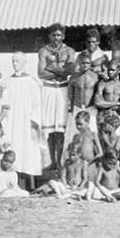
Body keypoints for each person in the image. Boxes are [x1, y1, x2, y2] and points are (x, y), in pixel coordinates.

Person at [37, 23, 76, 172]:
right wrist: (61, 71)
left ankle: (60, 161)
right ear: (49, 36)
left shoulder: (69, 51)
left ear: (64, 36)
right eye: (54, 35)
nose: (56, 38)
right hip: (48, 88)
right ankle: (52, 161)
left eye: (59, 35)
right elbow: (41, 73)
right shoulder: (43, 51)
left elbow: (71, 70)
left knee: (61, 128)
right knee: (49, 128)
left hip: (63, 89)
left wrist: (52, 68)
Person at [2, 52, 44, 188]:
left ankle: (31, 184)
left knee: (28, 150)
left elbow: (37, 105)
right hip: (12, 123)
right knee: (13, 148)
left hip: (27, 123)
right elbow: (5, 104)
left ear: (25, 63)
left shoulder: (32, 82)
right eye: (13, 61)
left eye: (18, 61)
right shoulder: (7, 82)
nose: (15, 64)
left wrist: (33, 125)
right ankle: (14, 182)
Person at [63, 53, 100, 161]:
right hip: (77, 107)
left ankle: (92, 160)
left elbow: (97, 93)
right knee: (74, 136)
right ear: (79, 63)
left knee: (92, 135)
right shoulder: (74, 78)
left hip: (90, 109)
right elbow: (70, 94)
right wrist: (70, 110)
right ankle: (72, 161)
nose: (85, 65)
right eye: (83, 63)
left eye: (88, 63)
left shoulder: (95, 77)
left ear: (90, 64)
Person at [93, 59, 120, 129]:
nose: (110, 72)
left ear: (119, 71)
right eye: (109, 70)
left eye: (112, 70)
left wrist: (106, 104)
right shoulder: (102, 84)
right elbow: (97, 102)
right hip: (104, 116)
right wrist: (116, 103)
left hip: (117, 116)